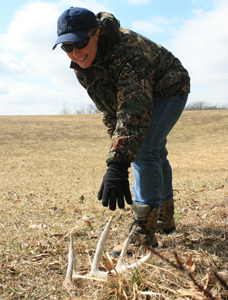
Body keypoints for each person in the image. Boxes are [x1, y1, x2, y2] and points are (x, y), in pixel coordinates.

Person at [53, 7, 190, 255]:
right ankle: (164, 218)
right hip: (140, 97)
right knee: (154, 148)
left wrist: (119, 163)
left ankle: (143, 234)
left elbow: (133, 109)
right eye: (66, 47)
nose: (75, 53)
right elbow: (111, 111)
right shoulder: (82, 64)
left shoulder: (127, 52)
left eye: (81, 42)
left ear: (96, 33)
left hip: (169, 87)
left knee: (146, 148)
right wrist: (118, 147)